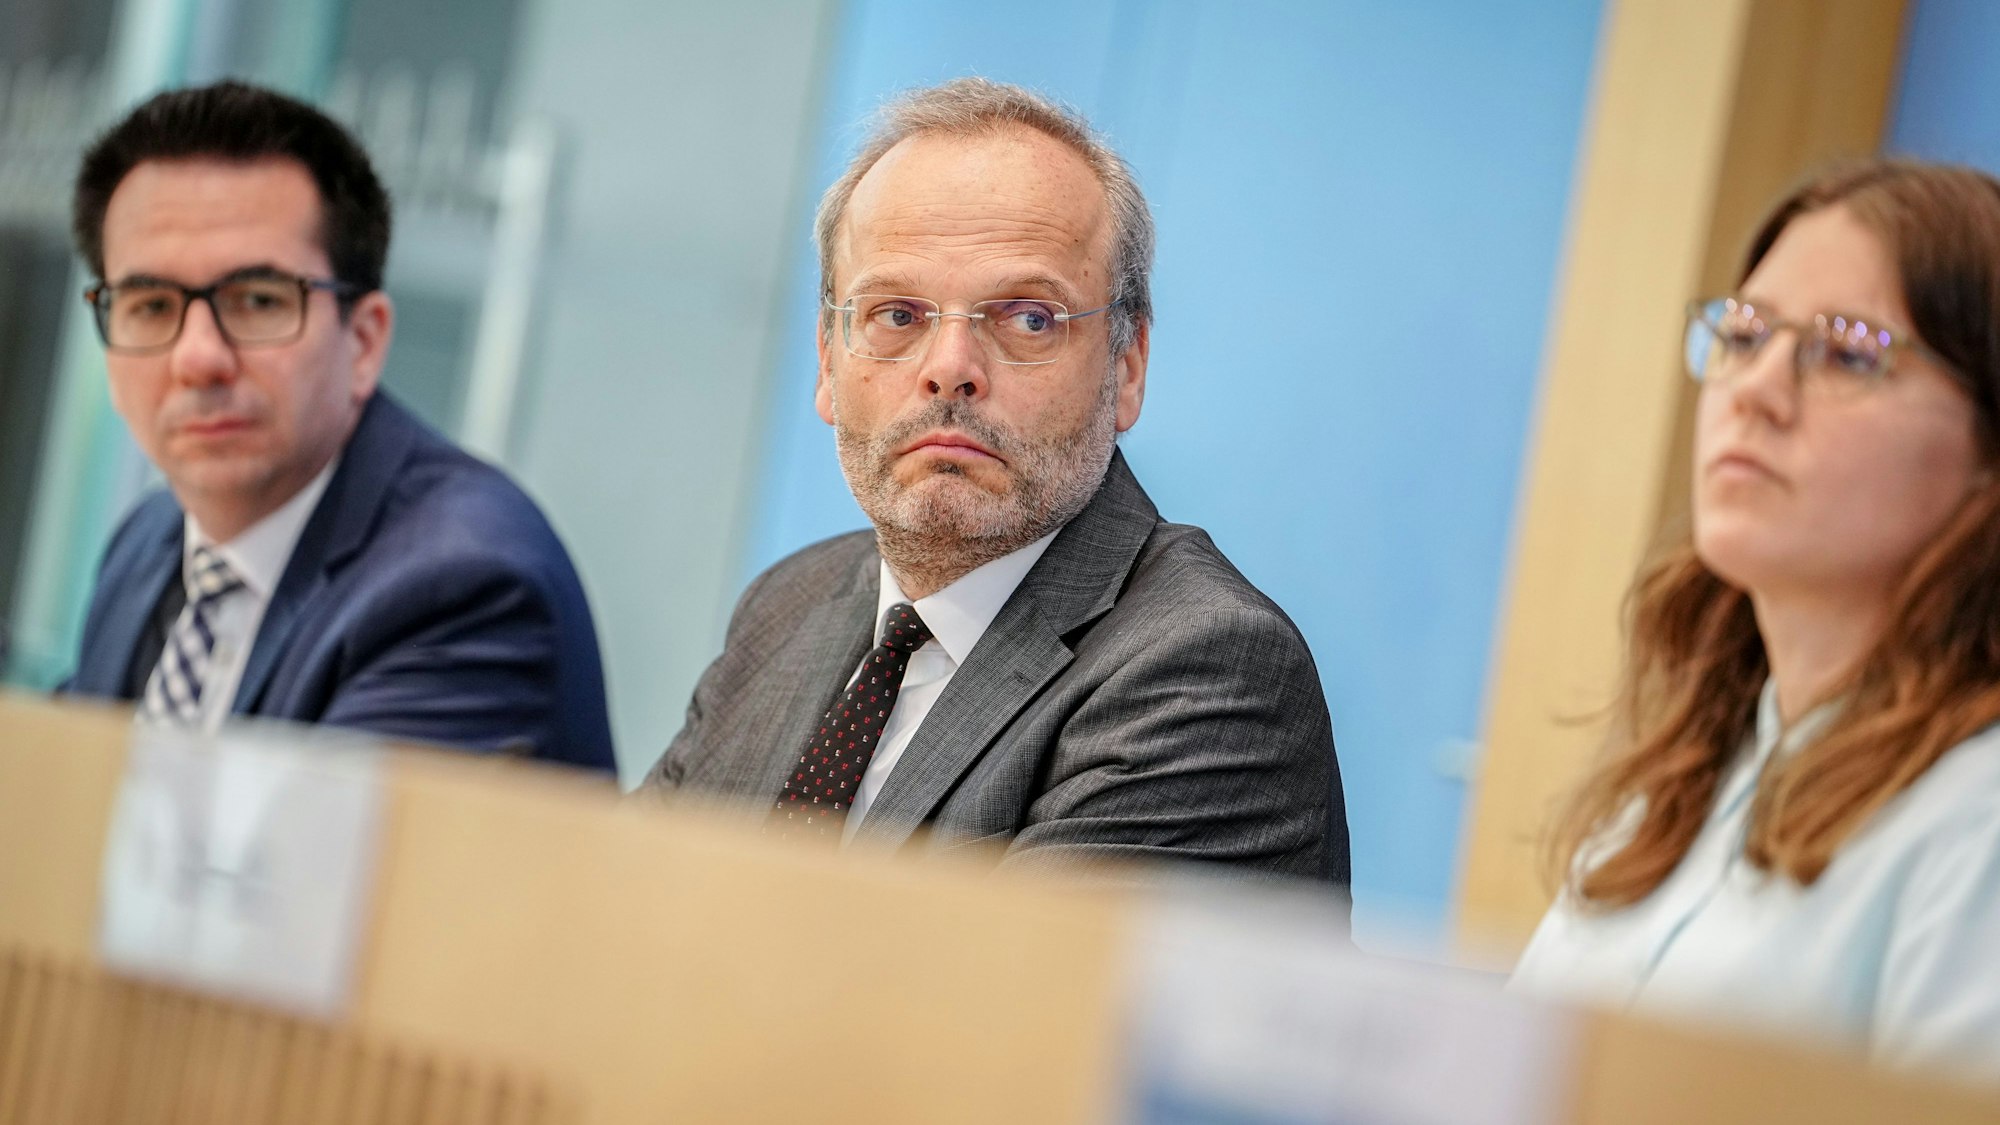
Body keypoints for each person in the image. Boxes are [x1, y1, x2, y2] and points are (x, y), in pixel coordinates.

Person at [644, 78, 1346, 884]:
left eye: (1028, 318)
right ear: (828, 361)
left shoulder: (1207, 674)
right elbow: (606, 907)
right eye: (897, 315)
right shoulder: (788, 604)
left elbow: (955, 982)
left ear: (1126, 366)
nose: (950, 369)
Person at [1511, 159, 2000, 1080]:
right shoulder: (1681, 777)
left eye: (1848, 351)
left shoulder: (1978, 821)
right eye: (1742, 334)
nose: (1755, 390)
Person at [60, 80, 616, 773]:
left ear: (364, 341)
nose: (198, 358)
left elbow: (301, 845)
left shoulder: (464, 581)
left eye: (257, 301)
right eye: (150, 306)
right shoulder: (149, 541)